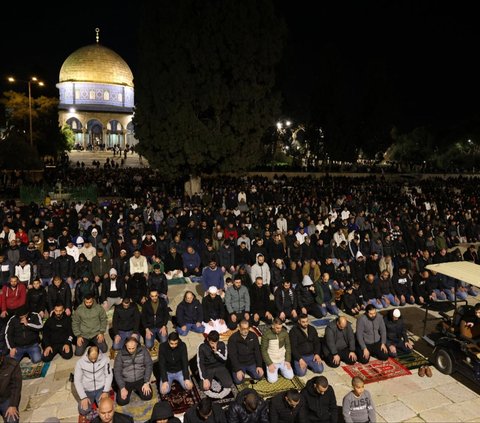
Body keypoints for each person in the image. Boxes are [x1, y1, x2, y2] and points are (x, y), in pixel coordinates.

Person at [74, 345, 113, 418]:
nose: (93, 360)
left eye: (95, 358)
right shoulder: (80, 363)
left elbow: (109, 375)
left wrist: (105, 391)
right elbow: (77, 381)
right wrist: (83, 397)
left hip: (101, 388)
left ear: (99, 354)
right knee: (83, 410)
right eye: (91, 358)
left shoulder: (105, 359)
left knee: (106, 407)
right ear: (87, 354)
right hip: (87, 391)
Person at [114, 336, 153, 406]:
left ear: (137, 345)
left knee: (148, 396)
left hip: (140, 378)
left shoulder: (143, 350)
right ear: (125, 345)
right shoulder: (120, 354)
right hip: (126, 381)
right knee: (122, 401)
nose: (131, 350)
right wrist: (122, 387)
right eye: (129, 348)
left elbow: (149, 365)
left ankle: (138, 389)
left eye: (133, 348)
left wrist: (146, 382)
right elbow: (117, 371)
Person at [227, 319, 264, 384]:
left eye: (247, 328)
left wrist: (259, 365)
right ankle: (240, 372)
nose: (246, 331)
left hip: (251, 362)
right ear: (239, 328)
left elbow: (257, 351)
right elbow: (232, 356)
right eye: (243, 329)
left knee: (260, 376)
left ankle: (247, 372)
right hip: (239, 363)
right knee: (238, 381)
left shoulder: (253, 336)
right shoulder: (233, 338)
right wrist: (237, 370)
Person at [197, 330, 233, 395]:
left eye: (215, 343)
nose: (213, 345)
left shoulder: (222, 344)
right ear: (208, 339)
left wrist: (217, 352)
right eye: (212, 343)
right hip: (208, 368)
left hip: (219, 367)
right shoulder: (202, 346)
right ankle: (211, 378)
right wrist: (204, 378)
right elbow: (200, 363)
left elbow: (224, 359)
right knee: (203, 387)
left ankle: (217, 377)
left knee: (228, 384)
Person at [261, 318, 294, 383]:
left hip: (282, 360)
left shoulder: (284, 333)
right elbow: (263, 350)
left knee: (290, 376)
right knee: (272, 380)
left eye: (280, 328)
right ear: (273, 326)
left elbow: (288, 346)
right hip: (272, 361)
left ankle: (281, 370)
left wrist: (287, 360)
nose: (279, 330)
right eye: (277, 328)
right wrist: (269, 363)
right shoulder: (266, 334)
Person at [0, 353, 22, 423]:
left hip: (6, 399)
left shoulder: (12, 364)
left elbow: (16, 387)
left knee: (12, 420)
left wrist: (13, 405)